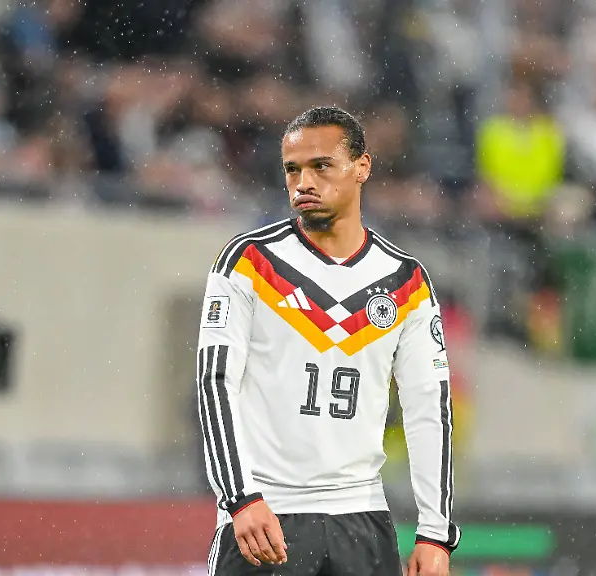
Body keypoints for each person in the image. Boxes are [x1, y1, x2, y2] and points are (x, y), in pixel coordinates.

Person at [195, 107, 459, 576]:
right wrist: (240, 499)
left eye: (321, 166)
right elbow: (215, 384)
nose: (303, 182)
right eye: (292, 169)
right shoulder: (249, 262)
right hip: (265, 516)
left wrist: (436, 532)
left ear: (363, 168)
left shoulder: (406, 281)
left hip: (361, 521)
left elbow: (429, 409)